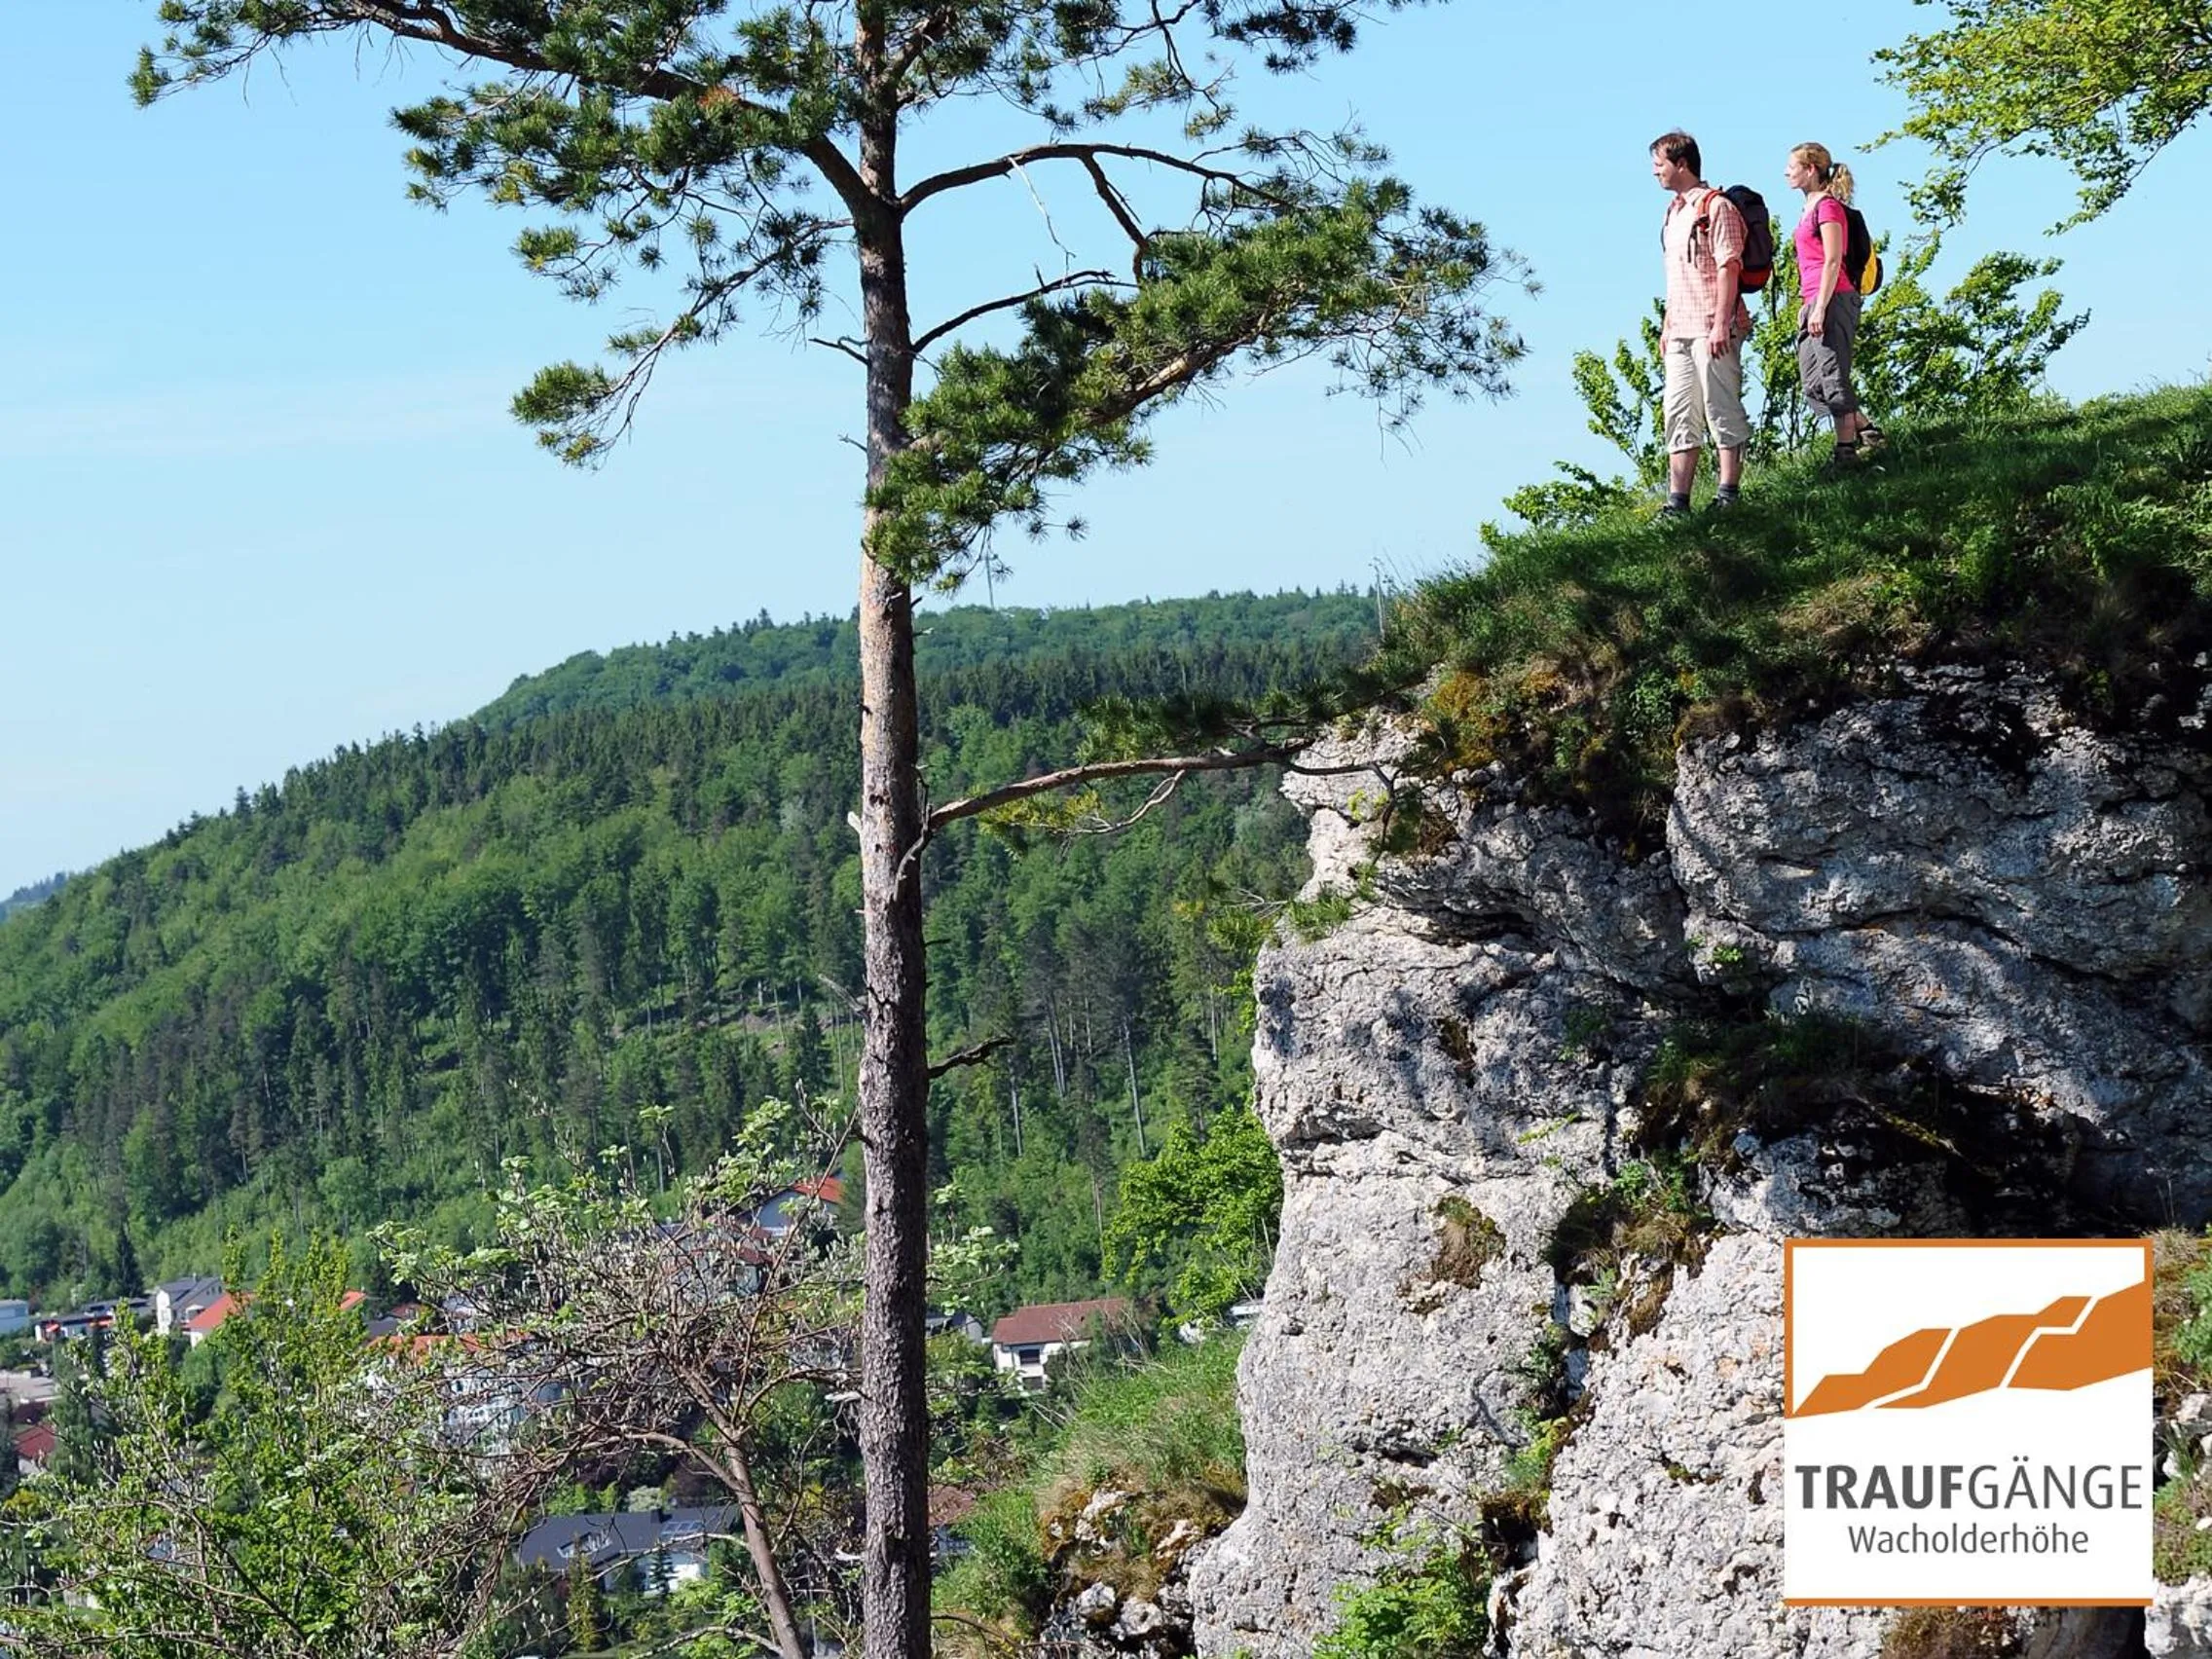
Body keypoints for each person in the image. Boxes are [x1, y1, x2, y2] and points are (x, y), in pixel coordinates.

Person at [1651, 130, 1751, 517]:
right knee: (1677, 410)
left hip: (1713, 324)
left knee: (1719, 405)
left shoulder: (1717, 206)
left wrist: (1721, 323)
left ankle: (1729, 493)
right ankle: (1678, 502)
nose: (1656, 172)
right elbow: (1676, 274)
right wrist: (1666, 325)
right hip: (1679, 328)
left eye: (1660, 164)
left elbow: (1730, 265)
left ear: (1682, 163)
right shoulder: (1673, 211)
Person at [1786, 141, 1884, 468]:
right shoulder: (1807, 209)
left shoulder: (1828, 208)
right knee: (1813, 383)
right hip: (1812, 298)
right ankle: (1868, 431)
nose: (1787, 172)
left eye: (1793, 166)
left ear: (1811, 169)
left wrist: (1821, 306)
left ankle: (1845, 452)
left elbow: (1832, 260)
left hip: (1832, 297)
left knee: (1833, 375)